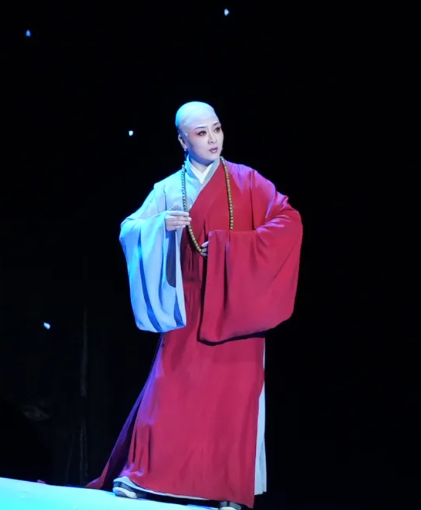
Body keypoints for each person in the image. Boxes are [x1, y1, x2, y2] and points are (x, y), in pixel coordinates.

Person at [87, 101, 303, 510]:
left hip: (236, 305)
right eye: (201, 133)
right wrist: (159, 226)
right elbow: (130, 228)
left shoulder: (247, 180)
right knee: (170, 391)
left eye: (217, 129)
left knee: (233, 401)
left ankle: (226, 489)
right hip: (187, 307)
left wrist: (230, 248)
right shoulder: (169, 188)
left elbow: (288, 221)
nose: (213, 139)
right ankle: (144, 477)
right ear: (183, 141)